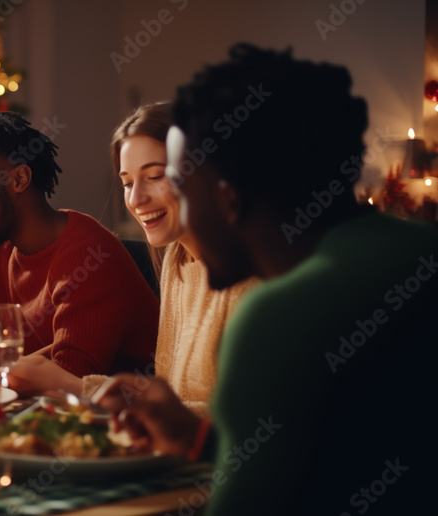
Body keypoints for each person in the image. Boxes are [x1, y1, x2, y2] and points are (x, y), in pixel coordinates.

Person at [96, 44, 438, 515]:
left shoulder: (276, 315)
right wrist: (199, 440)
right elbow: (325, 460)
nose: (145, 201)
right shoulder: (414, 250)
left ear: (227, 199)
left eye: (180, 183)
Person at [0, 104, 258, 414]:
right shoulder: (178, 259)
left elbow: (248, 418)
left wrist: (72, 386)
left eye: (155, 176)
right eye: (127, 183)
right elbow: (170, 399)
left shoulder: (253, 276)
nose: (136, 200)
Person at [0, 112, 160, 377]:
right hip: (39, 412)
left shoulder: (89, 254)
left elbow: (71, 375)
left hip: (116, 413)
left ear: (19, 179)